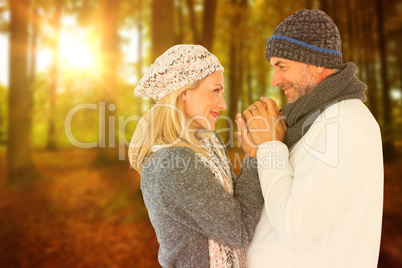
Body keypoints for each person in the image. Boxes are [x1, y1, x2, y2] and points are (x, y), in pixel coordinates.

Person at [238, 9, 384, 268]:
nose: (275, 80)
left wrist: (271, 147)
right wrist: (260, 151)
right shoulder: (317, 120)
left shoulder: (343, 124)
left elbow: (295, 228)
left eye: (281, 66)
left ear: (316, 61)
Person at [128, 44, 264, 268]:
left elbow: (231, 206)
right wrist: (256, 155)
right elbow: (238, 230)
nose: (223, 104)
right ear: (184, 93)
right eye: (215, 90)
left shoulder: (208, 143)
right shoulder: (173, 163)